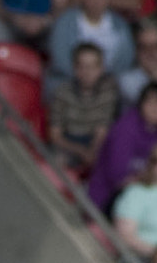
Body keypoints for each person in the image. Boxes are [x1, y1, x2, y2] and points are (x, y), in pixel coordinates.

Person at [89, 83, 157, 212]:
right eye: (150, 102)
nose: (155, 108)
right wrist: (147, 178)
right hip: (108, 198)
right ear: (140, 104)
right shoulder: (125, 127)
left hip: (147, 198)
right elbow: (117, 175)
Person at [47, 0, 135, 94]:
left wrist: (103, 80)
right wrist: (85, 78)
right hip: (72, 79)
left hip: (109, 82)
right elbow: (60, 58)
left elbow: (126, 59)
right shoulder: (64, 22)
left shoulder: (120, 24)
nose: (96, 0)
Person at [50, 43, 121, 174]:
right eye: (82, 66)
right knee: (55, 161)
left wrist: (92, 151)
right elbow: (55, 136)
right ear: (74, 68)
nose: (87, 72)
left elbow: (102, 131)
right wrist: (81, 151)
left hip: (95, 143)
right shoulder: (62, 92)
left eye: (92, 67)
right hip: (68, 143)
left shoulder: (108, 93)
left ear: (101, 68)